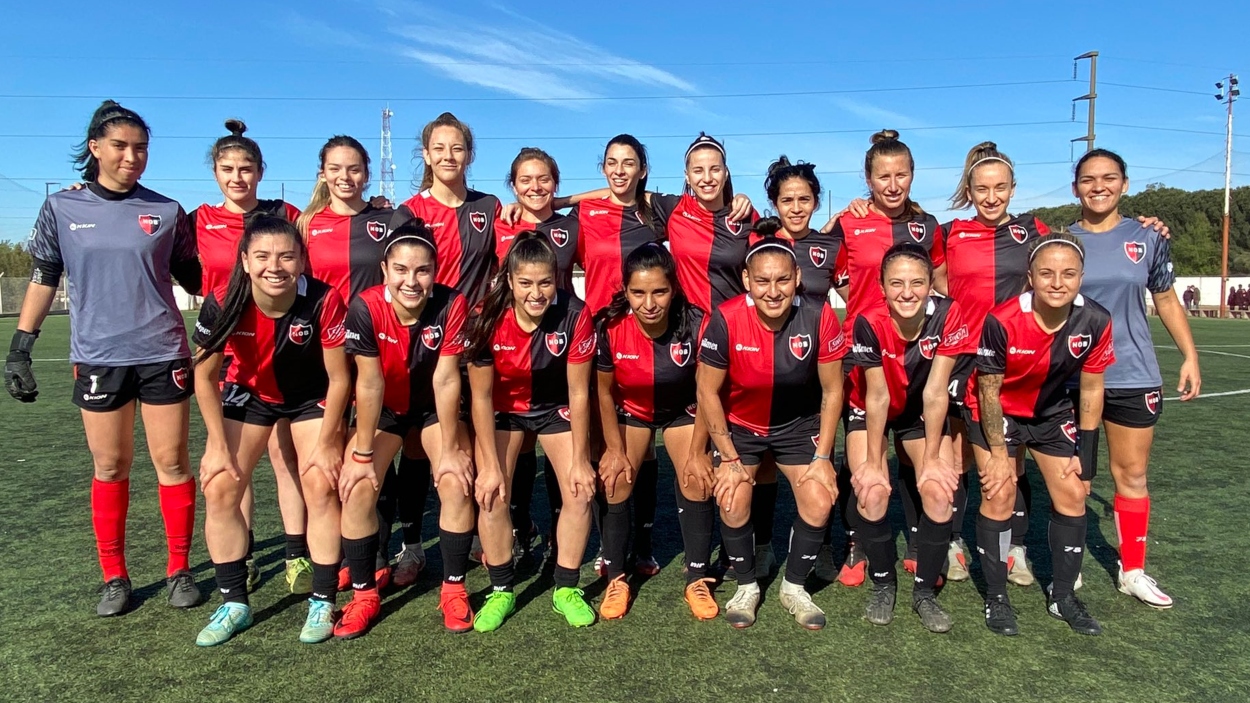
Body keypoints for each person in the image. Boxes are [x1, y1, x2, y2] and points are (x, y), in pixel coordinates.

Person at [6, 100, 203, 617]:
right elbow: (44, 278)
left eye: (141, 148)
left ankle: (179, 569)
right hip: (99, 355)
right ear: (95, 148)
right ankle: (114, 577)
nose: (132, 156)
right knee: (111, 466)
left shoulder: (166, 211)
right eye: (120, 146)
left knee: (174, 463)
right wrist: (19, 349)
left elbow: (199, 279)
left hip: (163, 352)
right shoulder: (62, 209)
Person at [190, 215, 350, 646]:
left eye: (286, 256)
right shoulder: (223, 300)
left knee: (320, 482)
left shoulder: (323, 299)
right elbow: (204, 378)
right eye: (261, 256)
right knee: (221, 485)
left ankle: (322, 598)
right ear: (244, 261)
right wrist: (216, 446)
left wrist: (331, 440)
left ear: (301, 261)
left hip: (310, 396)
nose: (273, 266)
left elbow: (339, 378)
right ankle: (235, 602)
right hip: (250, 393)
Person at [696, 220, 846, 630]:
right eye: (762, 281)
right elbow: (707, 391)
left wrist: (822, 457)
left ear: (798, 278)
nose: (773, 290)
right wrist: (727, 457)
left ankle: (794, 587)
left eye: (783, 279)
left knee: (819, 498)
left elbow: (833, 391)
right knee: (732, 496)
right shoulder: (725, 318)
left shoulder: (820, 317)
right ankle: (747, 585)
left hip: (798, 426)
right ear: (746, 279)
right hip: (741, 428)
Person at [1068, 149, 1200, 608]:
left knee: (1133, 474)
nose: (1098, 186)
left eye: (1108, 178)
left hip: (1132, 374)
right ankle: (1070, 567)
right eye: (1088, 179)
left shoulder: (1147, 237)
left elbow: (1164, 299)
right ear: (1075, 187)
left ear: (1124, 184)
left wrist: (1189, 356)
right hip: (1073, 378)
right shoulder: (1062, 241)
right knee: (1074, 479)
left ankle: (1133, 570)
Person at [967, 232, 1114, 636]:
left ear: (1081, 276)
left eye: (1068, 273)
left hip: (1051, 414)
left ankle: (1062, 595)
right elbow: (988, 390)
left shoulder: (1096, 319)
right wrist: (998, 453)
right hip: (997, 411)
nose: (1057, 282)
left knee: (1072, 493)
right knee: (999, 494)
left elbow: (1091, 388)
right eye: (1046, 273)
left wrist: (1086, 457)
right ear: (1030, 276)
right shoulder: (1003, 319)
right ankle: (996, 597)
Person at [339, 227, 476, 636]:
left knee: (455, 480)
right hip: (383, 409)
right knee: (358, 487)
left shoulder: (453, 303)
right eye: (400, 269)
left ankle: (453, 588)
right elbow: (368, 383)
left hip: (434, 407)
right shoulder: (364, 307)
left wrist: (450, 448)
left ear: (435, 272)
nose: (410, 281)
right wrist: (362, 455)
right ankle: (364, 595)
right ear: (384, 269)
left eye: (422, 271)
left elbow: (447, 379)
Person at [825, 130, 947, 588]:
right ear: (868, 179)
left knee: (915, 455)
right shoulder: (848, 223)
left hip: (916, 358)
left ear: (913, 175)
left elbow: (939, 280)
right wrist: (862, 306)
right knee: (861, 459)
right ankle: (857, 539)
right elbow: (832, 274)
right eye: (883, 177)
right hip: (865, 358)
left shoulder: (927, 225)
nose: (893, 185)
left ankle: (920, 542)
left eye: (902, 175)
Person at [193, 119, 309, 595]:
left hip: (286, 357)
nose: (237, 177)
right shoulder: (196, 221)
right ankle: (240, 562)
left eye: (246, 168)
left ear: (260, 171)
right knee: (231, 471)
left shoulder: (287, 213)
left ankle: (296, 555)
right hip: (234, 360)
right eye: (227, 168)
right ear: (215, 172)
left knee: (288, 462)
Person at [388, 112, 501, 584]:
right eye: (439, 148)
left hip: (474, 342)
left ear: (469, 155)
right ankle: (411, 545)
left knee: (474, 438)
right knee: (418, 445)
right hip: (422, 344)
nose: (448, 156)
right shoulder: (408, 213)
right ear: (427, 155)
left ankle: (475, 532)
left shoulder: (491, 206)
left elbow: (543, 204)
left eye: (457, 148)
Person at [467, 232, 598, 630]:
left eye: (544, 282)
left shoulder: (575, 313)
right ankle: (501, 590)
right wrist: (488, 465)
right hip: (504, 411)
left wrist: (580, 460)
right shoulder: (486, 315)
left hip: (554, 407)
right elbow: (481, 398)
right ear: (509, 281)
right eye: (525, 283)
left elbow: (578, 392)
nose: (536, 293)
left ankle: (566, 587)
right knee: (491, 494)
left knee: (580, 490)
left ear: (556, 277)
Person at [843, 243, 973, 631]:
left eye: (917, 282)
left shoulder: (949, 314)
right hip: (871, 410)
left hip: (919, 409)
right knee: (873, 491)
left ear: (931, 283)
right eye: (896, 283)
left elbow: (936, 393)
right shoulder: (868, 321)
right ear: (882, 286)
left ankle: (924, 593)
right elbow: (877, 396)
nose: (907, 292)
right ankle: (884, 584)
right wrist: (871, 462)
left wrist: (933, 457)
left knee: (937, 492)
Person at [594, 242, 713, 620]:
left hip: (683, 411)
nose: (649, 303)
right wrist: (613, 449)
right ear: (625, 291)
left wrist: (697, 452)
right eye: (638, 292)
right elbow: (602, 391)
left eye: (659, 291)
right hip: (632, 411)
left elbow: (707, 391)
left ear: (673, 288)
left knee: (697, 478)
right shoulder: (609, 326)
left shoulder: (696, 322)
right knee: (615, 478)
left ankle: (696, 576)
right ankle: (617, 576)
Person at [493, 147, 578, 566]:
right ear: (512, 185)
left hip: (558, 347)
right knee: (518, 447)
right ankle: (521, 527)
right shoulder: (498, 224)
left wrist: (563, 203)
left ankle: (561, 539)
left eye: (544, 179)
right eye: (525, 180)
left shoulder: (571, 226)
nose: (535, 187)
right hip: (507, 350)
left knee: (560, 448)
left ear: (556, 183)